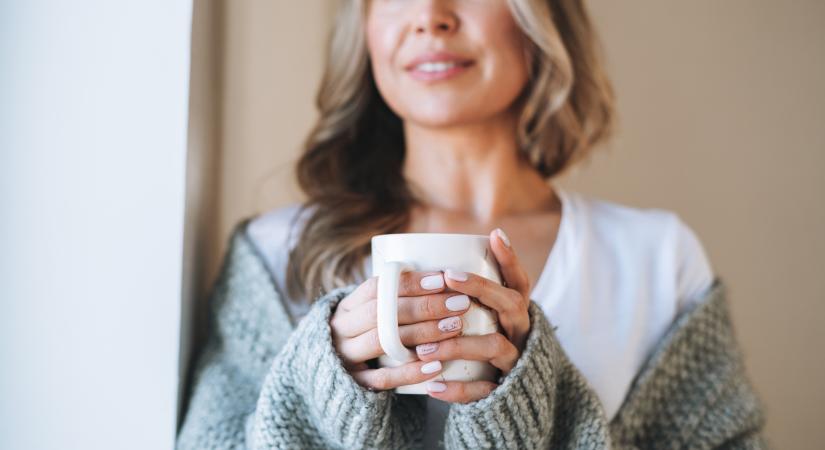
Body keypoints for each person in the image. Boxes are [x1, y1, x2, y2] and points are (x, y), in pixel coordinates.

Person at [177, 0, 767, 448]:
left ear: (538, 18)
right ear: (364, 28)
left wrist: (534, 400)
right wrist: (320, 385)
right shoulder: (273, 256)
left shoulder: (656, 261)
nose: (431, 16)